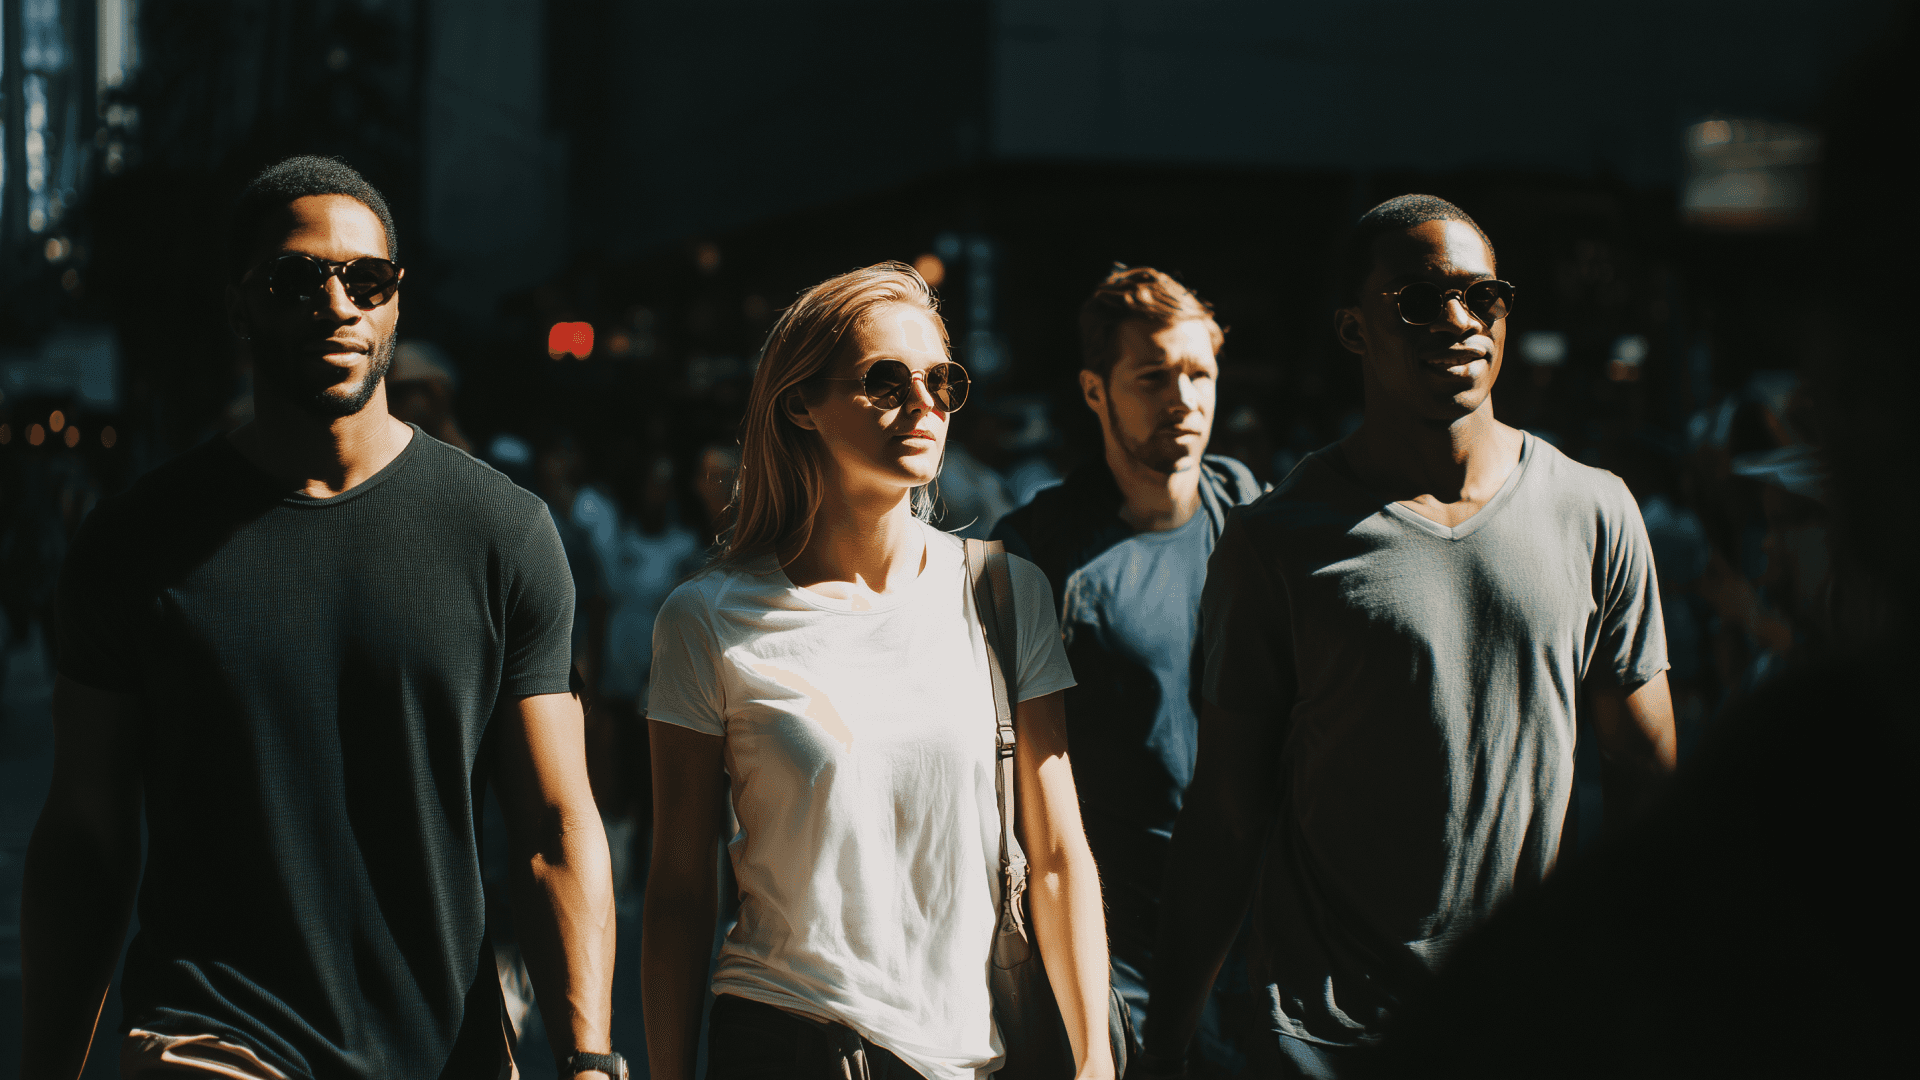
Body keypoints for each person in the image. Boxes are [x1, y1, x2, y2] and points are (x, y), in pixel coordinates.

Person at [20, 156, 622, 1080]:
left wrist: (589, 1059)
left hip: (441, 1046)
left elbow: (553, 824)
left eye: (365, 278)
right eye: (294, 279)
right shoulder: (134, 542)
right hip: (210, 1038)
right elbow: (86, 832)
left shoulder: (503, 533)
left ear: (394, 302)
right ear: (238, 305)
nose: (335, 302)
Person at [1138, 195, 1677, 1078]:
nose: (1460, 322)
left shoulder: (1595, 510)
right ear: (1355, 330)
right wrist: (1161, 1046)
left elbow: (1649, 780)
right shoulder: (1276, 542)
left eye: (1484, 297)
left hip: (1524, 1026)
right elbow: (1227, 815)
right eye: (1420, 301)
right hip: (1323, 1039)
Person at [641, 262, 1114, 1080]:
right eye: (885, 381)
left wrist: (1097, 1061)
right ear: (801, 404)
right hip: (784, 1042)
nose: (924, 404)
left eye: (942, 380)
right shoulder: (707, 618)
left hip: (971, 1058)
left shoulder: (1004, 593)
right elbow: (680, 887)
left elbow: (1060, 855)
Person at [990, 266, 1262, 1065]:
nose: (1184, 398)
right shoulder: (1036, 553)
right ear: (1094, 390)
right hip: (1116, 952)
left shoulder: (1249, 515)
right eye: (1153, 377)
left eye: (1199, 373)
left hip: (1252, 940)